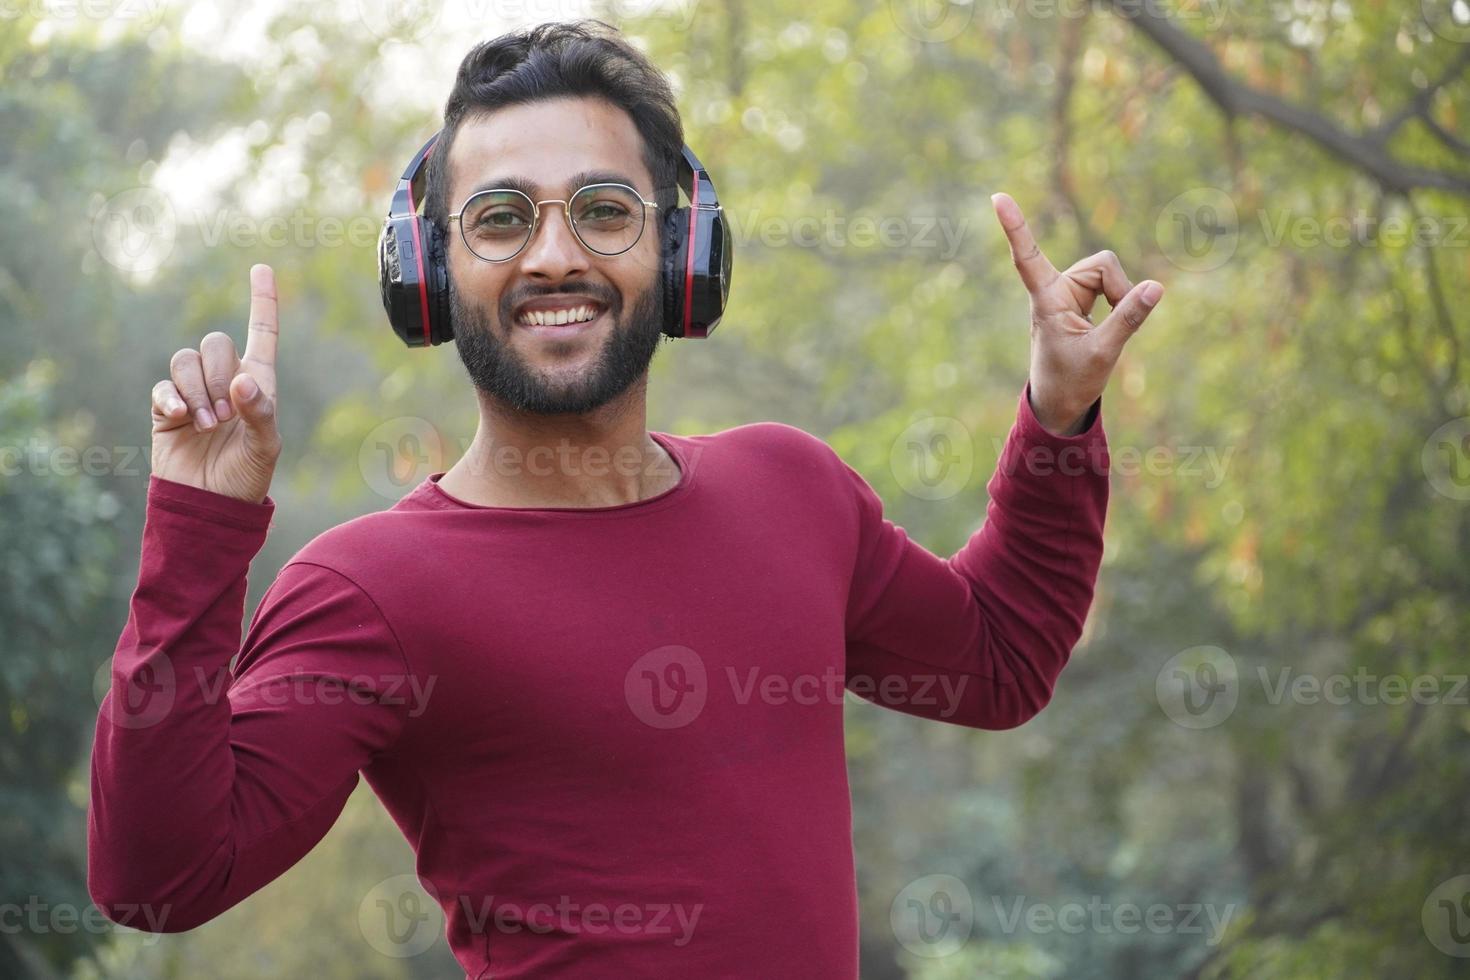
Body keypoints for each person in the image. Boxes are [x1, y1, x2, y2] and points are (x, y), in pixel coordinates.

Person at [86, 19, 1164, 978]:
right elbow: (159, 879)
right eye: (500, 219)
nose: (556, 255)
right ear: (429, 267)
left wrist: (1058, 415)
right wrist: (198, 527)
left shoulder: (793, 487)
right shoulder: (370, 588)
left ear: (683, 246)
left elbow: (999, 660)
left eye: (605, 210)